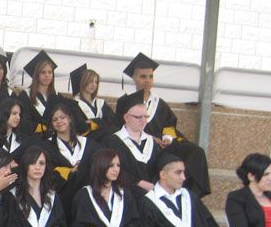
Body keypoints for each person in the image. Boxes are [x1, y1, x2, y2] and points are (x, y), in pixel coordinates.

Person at [115, 52, 210, 197]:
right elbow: (120, 126)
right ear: (134, 78)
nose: (147, 81)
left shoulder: (159, 103)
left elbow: (169, 124)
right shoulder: (125, 102)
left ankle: (189, 195)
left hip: (162, 145)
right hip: (140, 145)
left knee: (195, 152)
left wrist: (167, 138)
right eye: (143, 77)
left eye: (150, 76)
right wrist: (150, 138)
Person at [43, 99, 101, 223]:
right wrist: (68, 172)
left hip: (87, 201)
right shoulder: (47, 148)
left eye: (62, 117)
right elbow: (47, 175)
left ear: (69, 119)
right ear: (51, 124)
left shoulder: (88, 144)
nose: (59, 121)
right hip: (63, 202)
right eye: (55, 119)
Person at [104, 92, 162, 198]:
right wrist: (137, 182)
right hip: (124, 194)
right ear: (126, 117)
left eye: (146, 116)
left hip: (153, 194)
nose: (143, 120)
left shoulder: (152, 142)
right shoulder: (112, 142)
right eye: (138, 117)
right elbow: (108, 169)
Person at [69, 64, 119, 141]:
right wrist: (101, 122)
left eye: (96, 82)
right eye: (90, 81)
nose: (94, 85)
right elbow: (80, 127)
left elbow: (113, 123)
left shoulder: (101, 103)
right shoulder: (74, 104)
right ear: (83, 82)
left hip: (104, 141)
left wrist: (94, 122)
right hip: (85, 141)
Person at [16, 50, 58, 136]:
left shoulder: (55, 97)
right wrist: (42, 128)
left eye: (50, 72)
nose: (47, 75)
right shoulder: (25, 95)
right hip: (33, 138)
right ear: (36, 75)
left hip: (53, 138)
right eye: (43, 72)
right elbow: (23, 122)